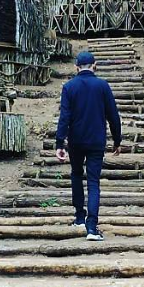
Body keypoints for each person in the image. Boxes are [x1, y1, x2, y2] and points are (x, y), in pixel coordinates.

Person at [55, 50, 122, 241]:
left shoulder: (69, 87)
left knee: (76, 175)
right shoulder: (102, 86)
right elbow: (113, 115)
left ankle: (79, 217)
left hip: (76, 141)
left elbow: (64, 117)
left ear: (76, 67)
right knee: (93, 182)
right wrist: (117, 140)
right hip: (96, 141)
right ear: (94, 65)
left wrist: (60, 143)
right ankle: (92, 228)